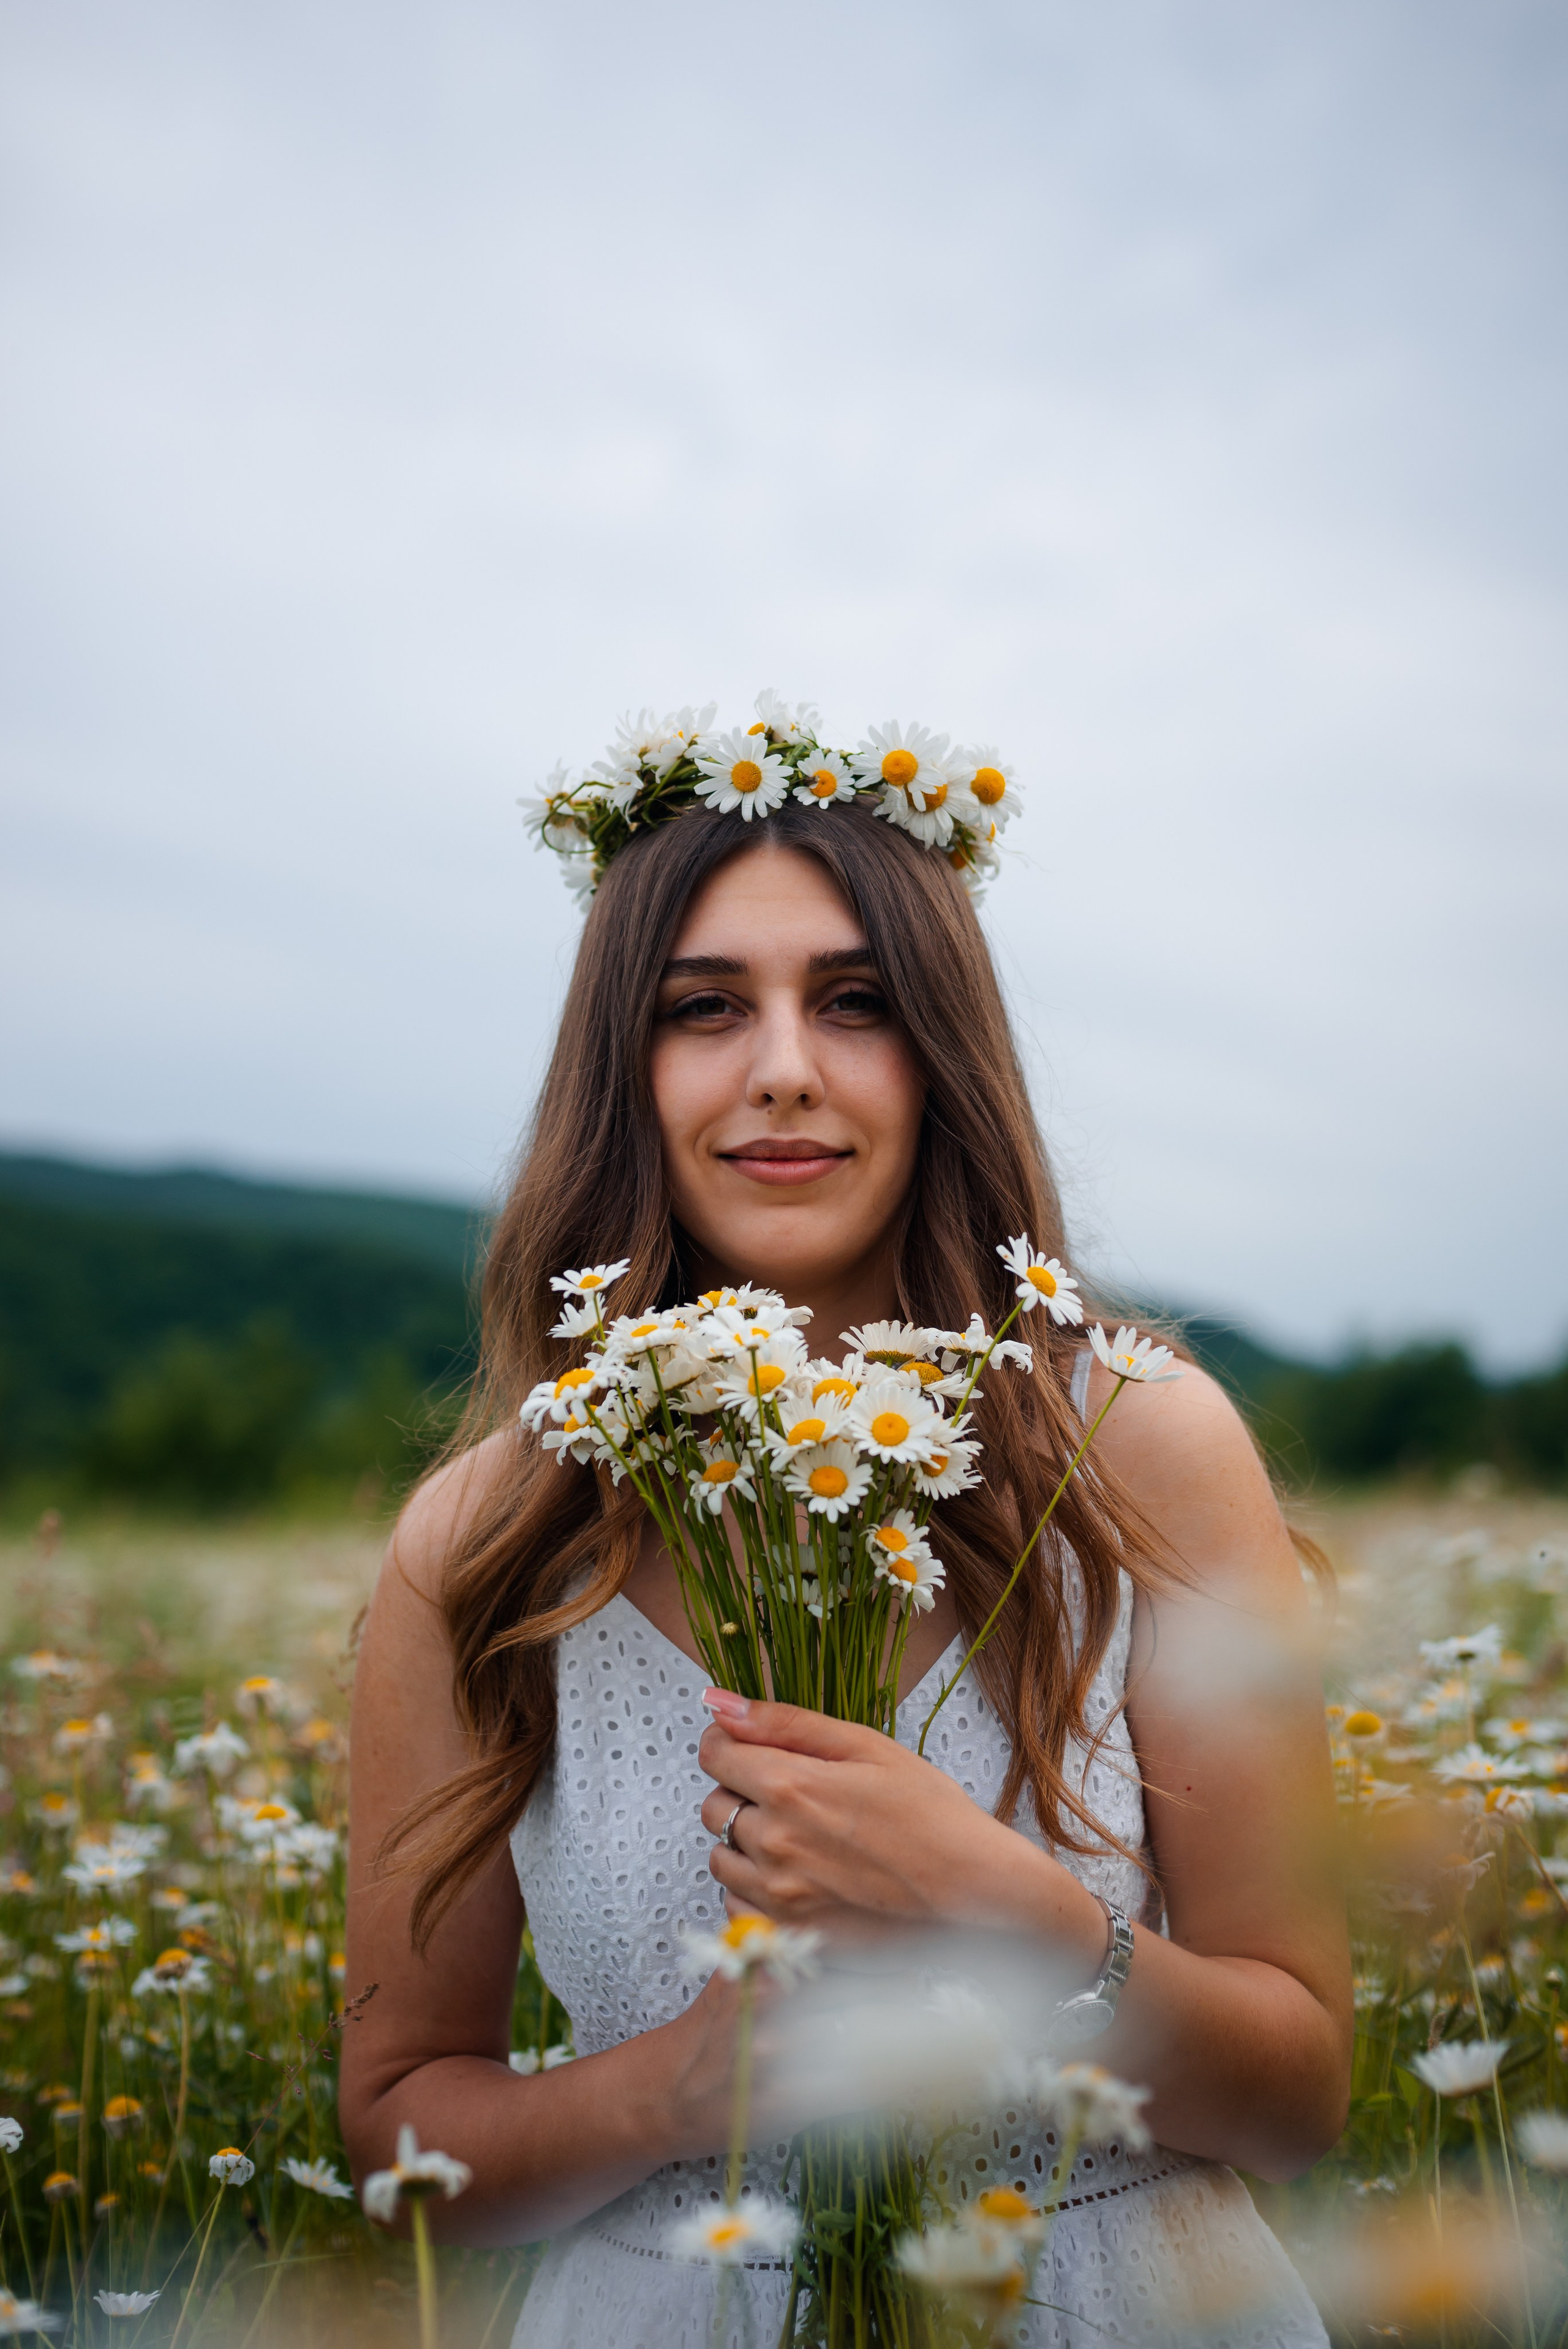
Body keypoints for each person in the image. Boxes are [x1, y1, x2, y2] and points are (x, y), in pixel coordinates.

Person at [340, 696, 1350, 2347]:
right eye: (705, 1007)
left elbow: (1300, 2095)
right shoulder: (489, 1538)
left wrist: (1018, 1914)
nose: (785, 1069)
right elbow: (396, 2128)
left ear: (942, 1049)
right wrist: (676, 2089)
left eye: (858, 1001)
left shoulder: (1138, 1443)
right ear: (624, 1064)